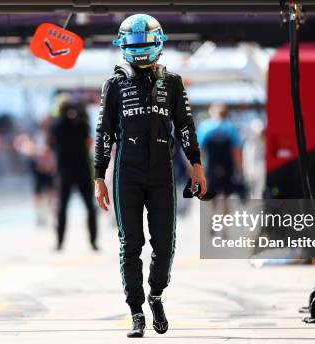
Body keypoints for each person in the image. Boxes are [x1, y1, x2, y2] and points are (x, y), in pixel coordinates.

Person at [94, 14, 207, 338]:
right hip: (126, 176)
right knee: (130, 244)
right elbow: (104, 134)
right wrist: (99, 177)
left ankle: (156, 295)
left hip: (161, 175)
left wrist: (196, 165)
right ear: (123, 46)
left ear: (158, 44)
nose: (140, 49)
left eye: (145, 43)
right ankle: (136, 311)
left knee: (165, 244)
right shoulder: (113, 86)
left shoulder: (172, 82)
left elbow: (185, 126)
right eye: (134, 44)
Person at [49, 99, 97, 251]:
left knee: (62, 208)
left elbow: (51, 145)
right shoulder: (82, 125)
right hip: (82, 168)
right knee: (90, 207)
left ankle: (59, 242)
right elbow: (89, 143)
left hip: (64, 171)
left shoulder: (55, 127)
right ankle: (93, 242)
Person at [197, 103, 244, 214]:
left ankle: (213, 217)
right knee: (226, 195)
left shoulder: (205, 127)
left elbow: (199, 151)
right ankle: (223, 220)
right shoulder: (231, 129)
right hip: (227, 166)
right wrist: (240, 169)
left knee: (211, 193)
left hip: (211, 166)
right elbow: (236, 152)